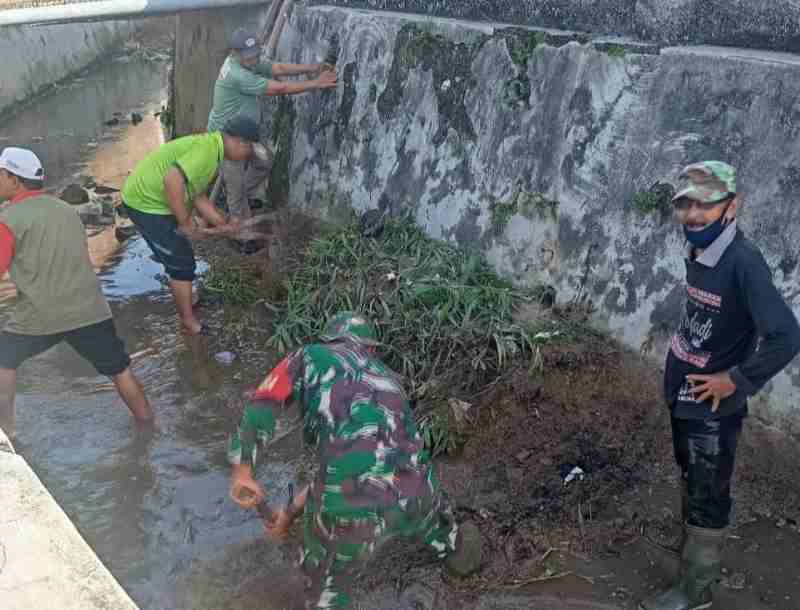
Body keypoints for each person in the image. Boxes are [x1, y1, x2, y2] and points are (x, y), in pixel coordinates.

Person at [227, 312, 481, 609]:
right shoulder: (390, 380)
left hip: (348, 509)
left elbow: (265, 403)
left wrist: (243, 469)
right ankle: (459, 559)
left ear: (329, 340)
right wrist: (287, 515)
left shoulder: (309, 357)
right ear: (371, 349)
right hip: (416, 495)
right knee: (448, 535)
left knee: (327, 585)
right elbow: (374, 459)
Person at [639, 162, 800, 610]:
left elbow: (787, 335)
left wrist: (737, 380)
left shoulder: (743, 263)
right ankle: (690, 551)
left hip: (713, 409)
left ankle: (696, 592)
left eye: (705, 203)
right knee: (693, 479)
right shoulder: (700, 250)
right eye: (685, 203)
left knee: (709, 494)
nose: (693, 214)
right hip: (683, 393)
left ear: (733, 205)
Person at [0, 147, 152, 440]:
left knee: (3, 361)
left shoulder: (9, 220)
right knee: (120, 370)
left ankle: (7, 432)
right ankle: (148, 428)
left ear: (14, 180)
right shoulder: (66, 210)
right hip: (89, 309)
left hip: (40, 314)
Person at [121, 115, 260, 336]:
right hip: (145, 202)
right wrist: (185, 223)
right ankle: (188, 322)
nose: (247, 155)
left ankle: (188, 295)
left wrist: (224, 223)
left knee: (181, 254)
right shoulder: (207, 153)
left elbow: (195, 193)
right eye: (249, 149)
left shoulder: (211, 147)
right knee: (181, 262)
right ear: (239, 141)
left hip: (151, 196)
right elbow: (172, 181)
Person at [207, 27, 337, 227]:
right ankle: (242, 235)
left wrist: (313, 68)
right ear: (235, 54)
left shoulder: (248, 63)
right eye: (248, 57)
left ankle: (240, 199)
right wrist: (316, 83)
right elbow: (280, 87)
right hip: (227, 141)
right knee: (235, 185)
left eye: (255, 55)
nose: (253, 60)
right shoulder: (237, 74)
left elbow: (279, 69)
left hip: (244, 137)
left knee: (264, 161)